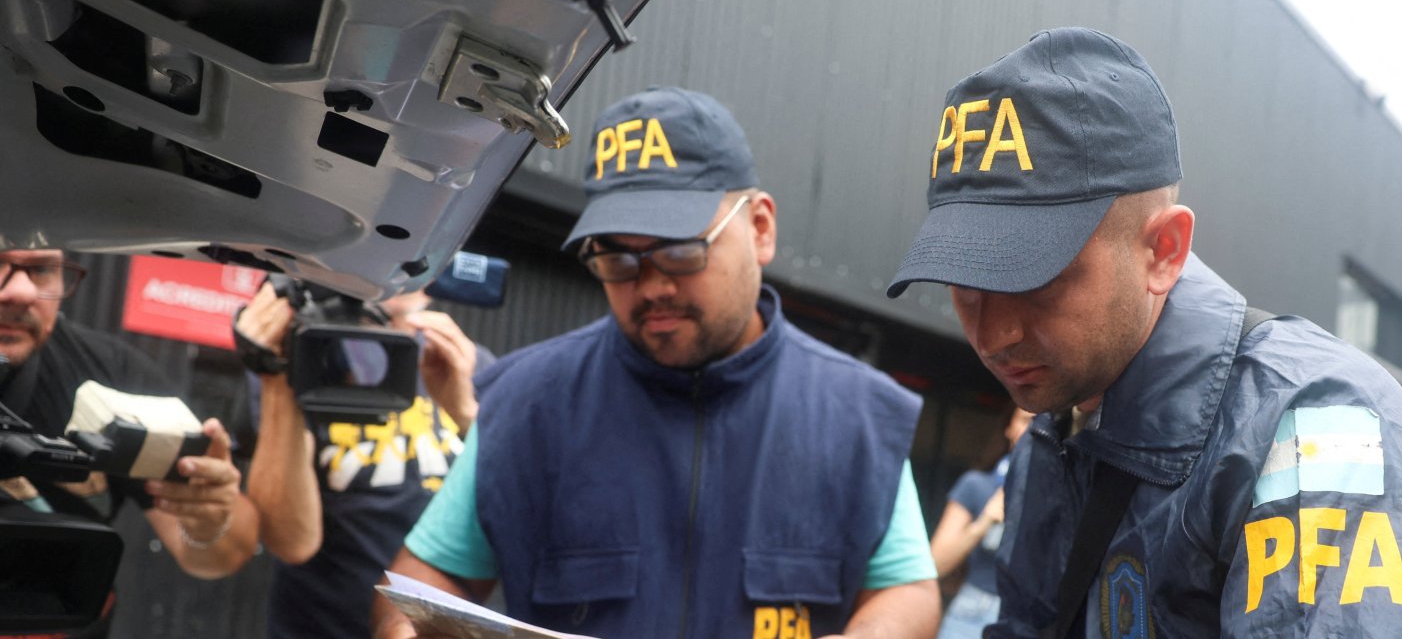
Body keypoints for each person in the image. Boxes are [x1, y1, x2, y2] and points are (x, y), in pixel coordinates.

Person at [887, 28, 1402, 637]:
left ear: (1163, 250)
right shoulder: (1052, 438)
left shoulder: (1321, 427)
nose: (994, 334)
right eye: (964, 282)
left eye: (1034, 279)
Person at [373, 86, 941, 639]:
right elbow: (425, 579)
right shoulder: (528, 403)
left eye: (679, 251)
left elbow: (907, 590)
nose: (651, 286)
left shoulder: (857, 414)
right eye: (618, 259)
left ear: (760, 228)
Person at [0, 248, 258, 634]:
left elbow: (216, 554)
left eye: (41, 269)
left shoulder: (111, 379)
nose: (20, 290)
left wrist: (209, 518)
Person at [237, 285, 490, 639]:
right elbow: (291, 541)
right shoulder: (311, 355)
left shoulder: (466, 363)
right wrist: (278, 375)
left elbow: (503, 518)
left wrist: (468, 416)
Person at [929, 408, 1033, 638]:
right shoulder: (976, 485)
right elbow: (935, 565)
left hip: (1029, 619)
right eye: (1026, 421)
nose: (1032, 431)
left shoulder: (1056, 493)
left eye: (1039, 422)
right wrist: (985, 521)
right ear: (1009, 428)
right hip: (972, 611)